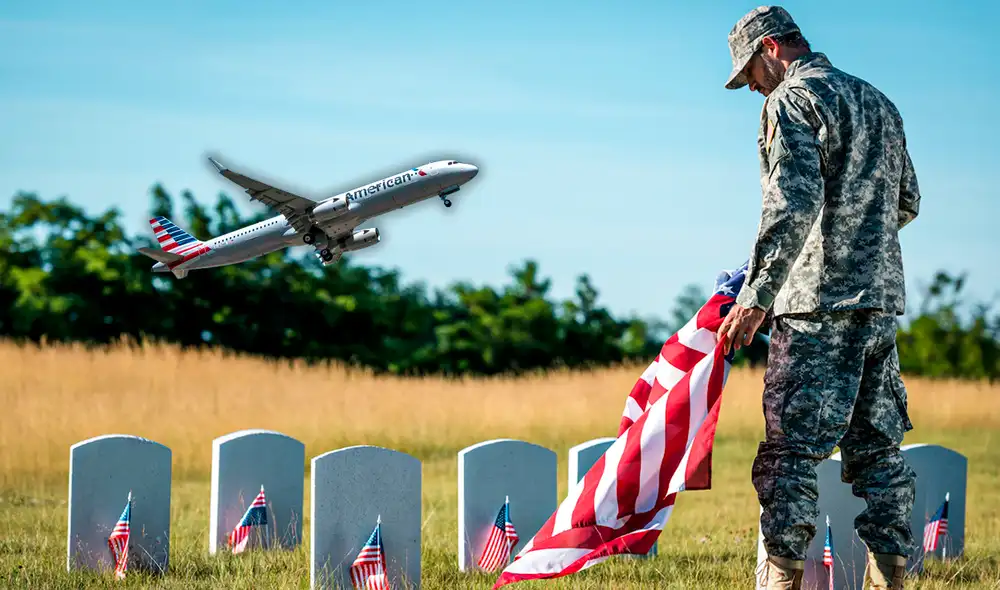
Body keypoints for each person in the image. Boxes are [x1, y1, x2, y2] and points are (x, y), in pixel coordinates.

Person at [716, 6, 921, 590]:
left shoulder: (791, 101)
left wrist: (757, 295)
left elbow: (793, 202)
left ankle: (780, 581)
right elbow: (906, 200)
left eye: (750, 71)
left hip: (813, 308)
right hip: (878, 304)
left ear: (771, 47)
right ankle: (891, 580)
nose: (750, 85)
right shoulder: (880, 103)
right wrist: (863, 240)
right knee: (879, 455)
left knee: (790, 456)